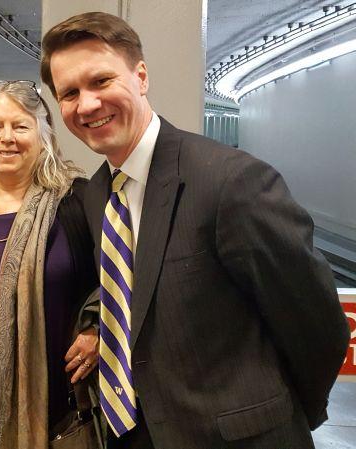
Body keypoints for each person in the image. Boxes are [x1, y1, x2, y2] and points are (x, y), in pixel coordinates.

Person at [40, 11, 350, 449]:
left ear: (141, 76)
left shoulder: (231, 182)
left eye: (101, 81)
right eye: (69, 93)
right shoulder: (96, 195)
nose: (86, 104)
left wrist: (278, 415)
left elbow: (318, 325)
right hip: (132, 433)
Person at [0, 80, 101, 448]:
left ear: (43, 137)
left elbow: (117, 278)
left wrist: (96, 330)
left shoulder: (76, 202)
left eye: (21, 126)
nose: (6, 137)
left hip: (57, 398)